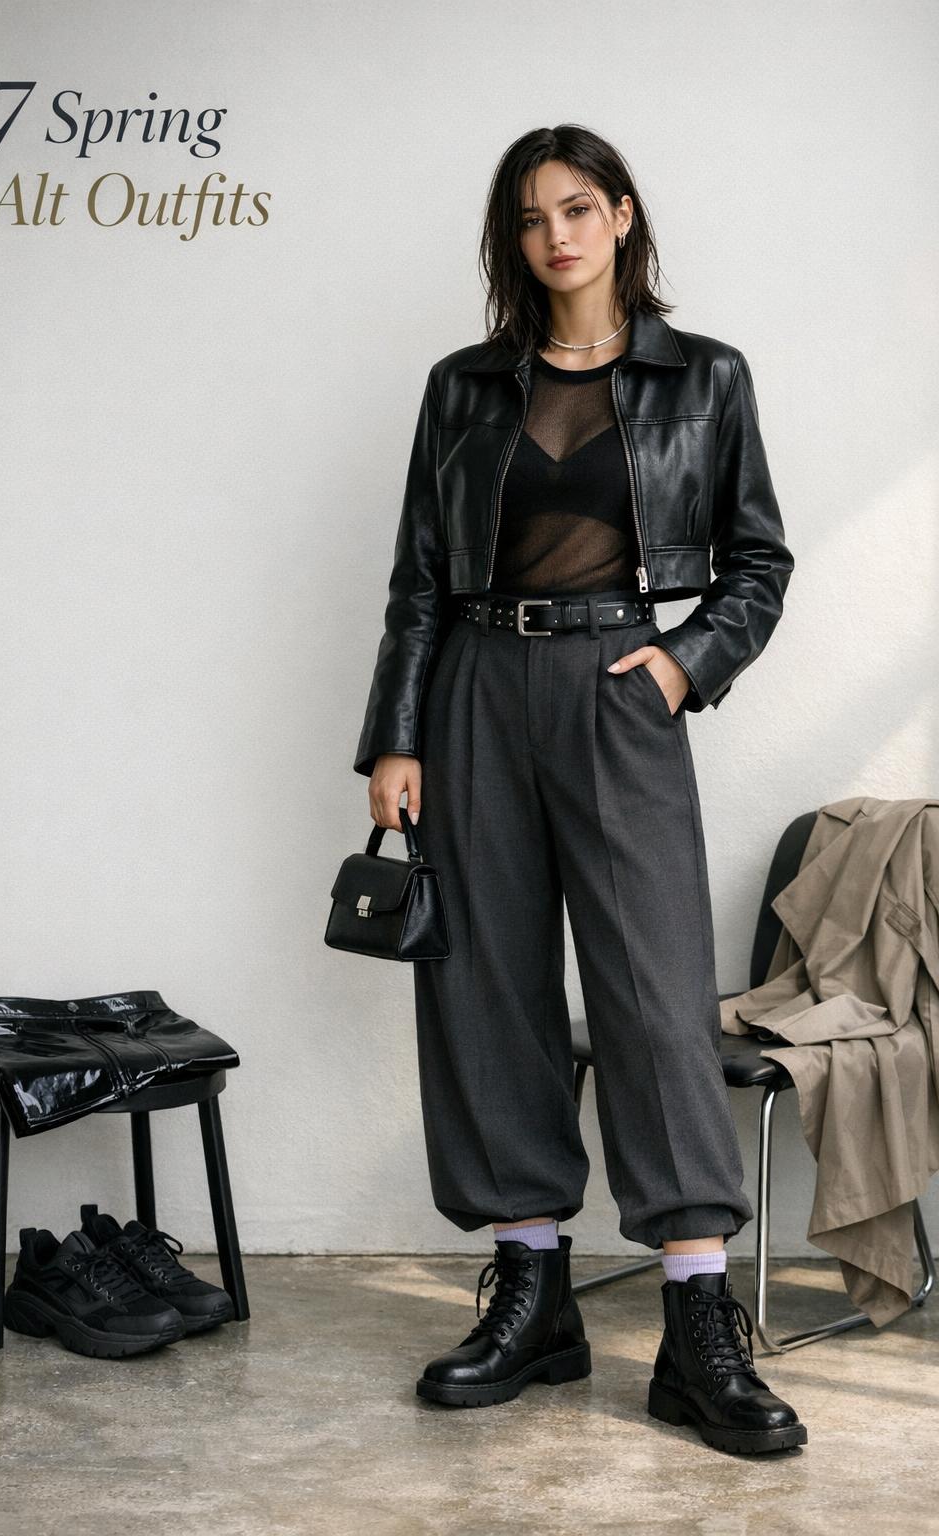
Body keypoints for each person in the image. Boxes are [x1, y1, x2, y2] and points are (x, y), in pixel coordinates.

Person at [353, 124, 805, 1456]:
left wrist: (684, 666)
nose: (558, 234)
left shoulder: (704, 377)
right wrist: (395, 734)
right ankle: (533, 1295)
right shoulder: (463, 386)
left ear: (620, 217)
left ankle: (696, 1326)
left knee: (656, 995)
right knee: (485, 984)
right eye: (531, 216)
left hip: (623, 679)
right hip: (476, 690)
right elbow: (420, 579)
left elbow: (758, 563)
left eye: (578, 208)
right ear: (515, 240)